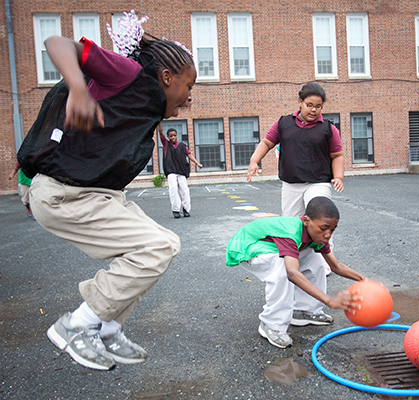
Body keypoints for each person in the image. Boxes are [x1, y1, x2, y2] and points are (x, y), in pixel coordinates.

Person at [16, 11, 195, 370]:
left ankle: (107, 328)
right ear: (165, 76)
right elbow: (58, 44)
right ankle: (76, 325)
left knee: (165, 246)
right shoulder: (128, 74)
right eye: (188, 86)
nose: (190, 97)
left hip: (96, 195)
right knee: (156, 247)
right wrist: (79, 90)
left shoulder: (148, 107)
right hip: (65, 194)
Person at [225, 197, 366, 349]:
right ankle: (272, 324)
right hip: (247, 247)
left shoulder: (315, 235)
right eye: (324, 228)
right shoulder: (291, 232)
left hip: (270, 247)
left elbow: (336, 266)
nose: (328, 234)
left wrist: (363, 279)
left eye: (332, 229)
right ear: (306, 221)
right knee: (282, 267)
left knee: (315, 258)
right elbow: (292, 273)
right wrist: (328, 300)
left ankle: (304, 310)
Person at [247, 83, 344, 275]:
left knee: (319, 217)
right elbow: (267, 142)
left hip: (319, 181)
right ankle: (295, 260)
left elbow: (337, 155)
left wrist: (338, 176)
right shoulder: (284, 123)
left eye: (318, 106)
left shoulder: (328, 128)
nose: (313, 110)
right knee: (291, 224)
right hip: (292, 183)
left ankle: (325, 261)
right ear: (300, 102)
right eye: (309, 105)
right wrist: (254, 161)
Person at [158, 123, 203, 218]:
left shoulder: (182, 146)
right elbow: (161, 133)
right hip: (171, 171)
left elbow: (189, 155)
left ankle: (186, 209)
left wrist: (197, 163)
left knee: (184, 190)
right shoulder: (166, 144)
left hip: (181, 170)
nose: (173, 137)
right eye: (171, 136)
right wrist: (158, 122)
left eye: (174, 135)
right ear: (168, 137)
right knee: (173, 189)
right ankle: (176, 210)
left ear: (177, 135)